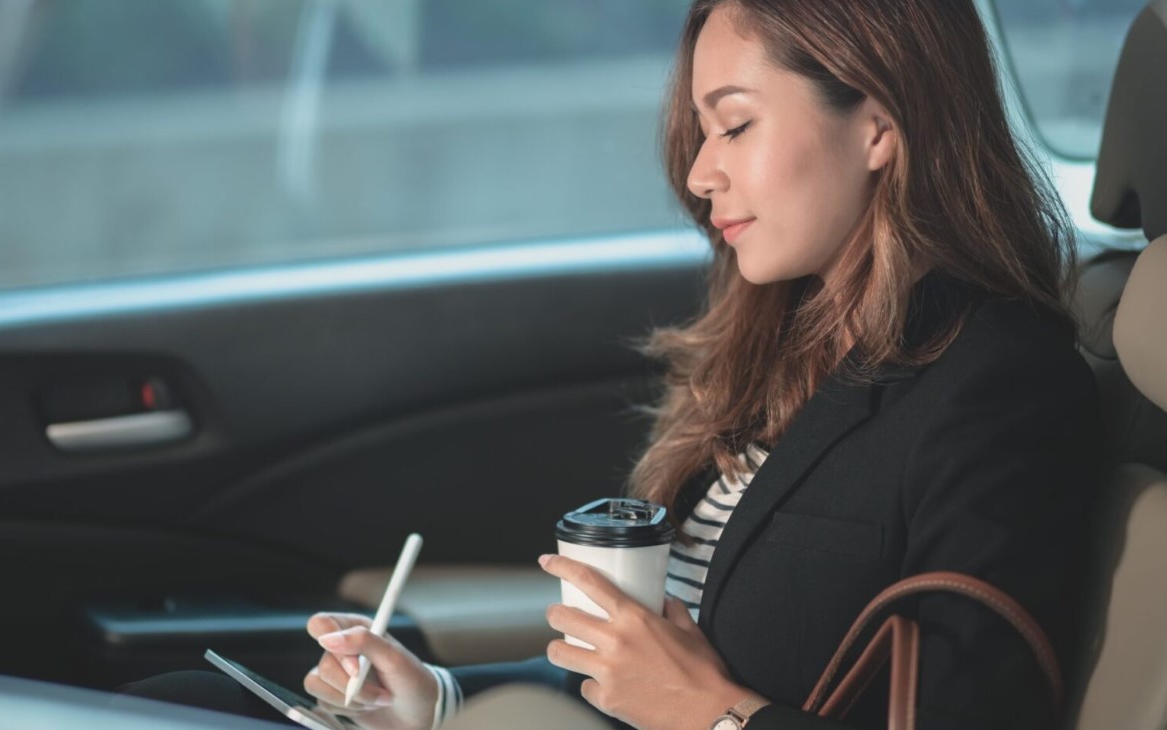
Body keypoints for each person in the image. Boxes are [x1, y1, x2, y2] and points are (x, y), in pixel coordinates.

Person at [129, 1, 1100, 728]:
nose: (696, 173)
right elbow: (646, 686)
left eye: (733, 123)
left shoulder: (996, 380)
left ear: (878, 124)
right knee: (172, 701)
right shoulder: (793, 357)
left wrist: (711, 713)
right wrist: (436, 701)